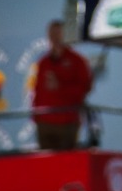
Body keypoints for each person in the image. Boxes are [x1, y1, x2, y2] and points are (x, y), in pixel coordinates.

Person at [30, 20, 94, 151]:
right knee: (45, 160)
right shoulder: (43, 62)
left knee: (65, 160)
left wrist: (60, 87)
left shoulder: (77, 61)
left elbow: (84, 89)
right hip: (44, 122)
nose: (54, 38)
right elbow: (38, 90)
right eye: (51, 34)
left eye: (58, 34)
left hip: (67, 122)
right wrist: (36, 116)